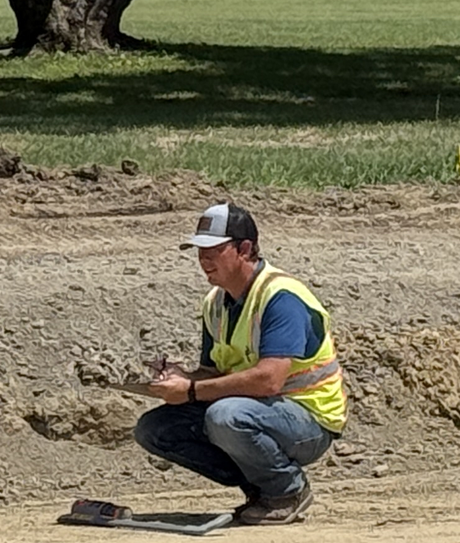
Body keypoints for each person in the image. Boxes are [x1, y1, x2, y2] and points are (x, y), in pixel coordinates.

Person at [136, 203, 346, 523]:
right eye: (199, 251)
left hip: (309, 419)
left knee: (226, 416)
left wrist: (191, 390)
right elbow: (216, 374)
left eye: (213, 250)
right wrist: (180, 377)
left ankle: (287, 490)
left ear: (244, 249)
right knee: (154, 429)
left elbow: (268, 380)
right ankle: (262, 487)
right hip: (259, 410)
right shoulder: (216, 304)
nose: (203, 260)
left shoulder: (281, 297)